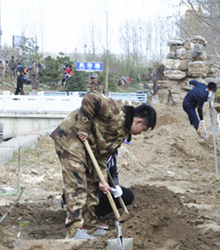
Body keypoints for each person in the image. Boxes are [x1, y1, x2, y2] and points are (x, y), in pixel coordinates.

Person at [50, 94, 157, 239]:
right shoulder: (115, 111)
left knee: (92, 186)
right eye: (143, 130)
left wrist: (102, 178)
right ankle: (74, 229)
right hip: (70, 139)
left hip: (89, 149)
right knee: (78, 184)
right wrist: (84, 127)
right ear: (138, 121)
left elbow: (103, 155)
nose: (140, 134)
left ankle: (90, 226)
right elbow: (91, 98)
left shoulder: (122, 133)